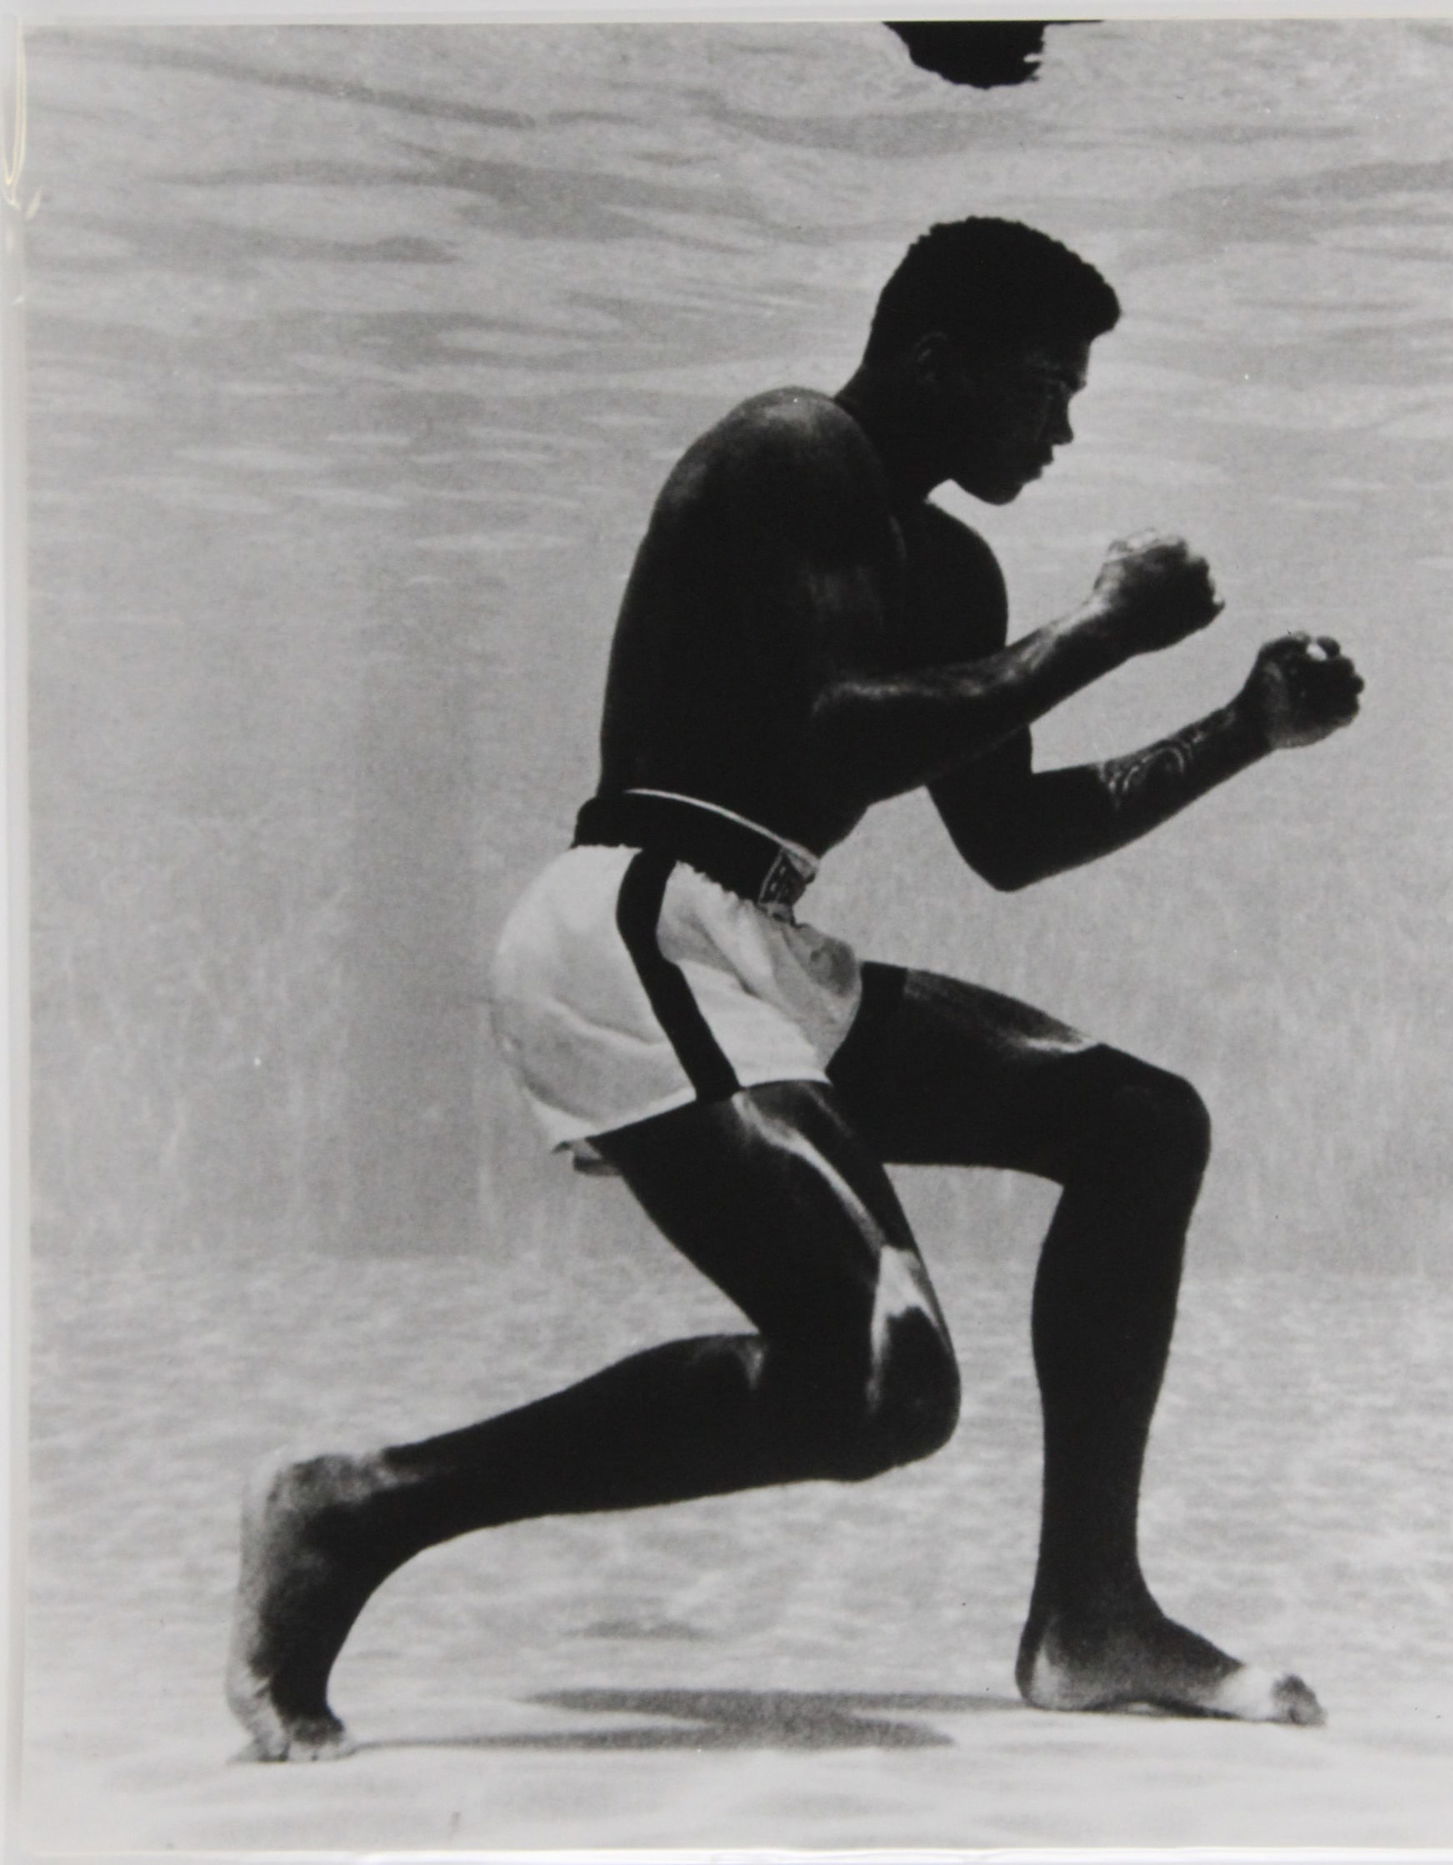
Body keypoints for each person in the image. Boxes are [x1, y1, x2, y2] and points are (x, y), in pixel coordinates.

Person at [227, 217, 1363, 1762]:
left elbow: (1011, 838)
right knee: (886, 1382)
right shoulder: (788, 447)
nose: (1065, 424)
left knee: (1138, 1122)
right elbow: (832, 735)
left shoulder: (954, 567)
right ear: (937, 361)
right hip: (627, 922)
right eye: (1047, 382)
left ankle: (1091, 1612)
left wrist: (1242, 727)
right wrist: (1097, 633)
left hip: (754, 946)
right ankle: (356, 1511)